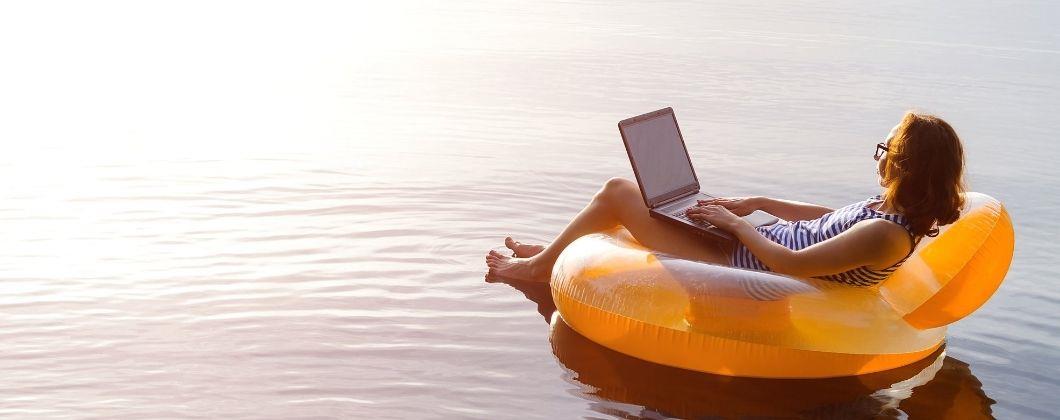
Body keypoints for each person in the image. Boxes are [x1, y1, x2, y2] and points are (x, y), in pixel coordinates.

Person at [486, 111, 966, 286]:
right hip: (746, 239)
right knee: (655, 199)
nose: (877, 157)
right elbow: (828, 219)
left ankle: (537, 267)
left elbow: (792, 266)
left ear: (904, 165)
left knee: (618, 191)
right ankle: (551, 251)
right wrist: (755, 202)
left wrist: (736, 226)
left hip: (738, 259)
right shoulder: (890, 213)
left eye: (885, 150)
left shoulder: (887, 236)